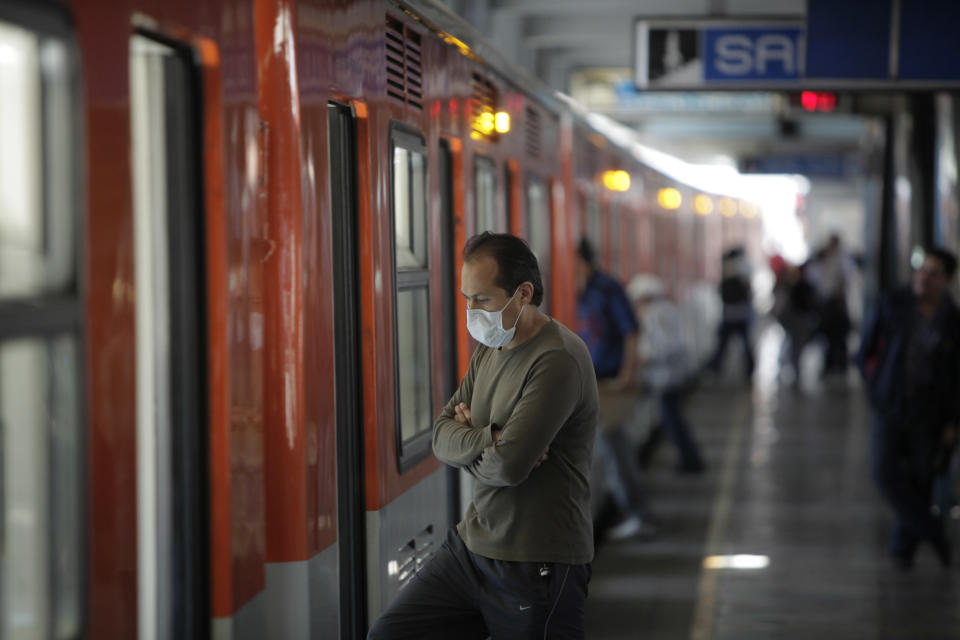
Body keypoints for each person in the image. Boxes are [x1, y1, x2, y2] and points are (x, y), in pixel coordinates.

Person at [368, 232, 597, 639]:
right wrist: (488, 436)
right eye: (466, 297)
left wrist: (477, 437)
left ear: (523, 293)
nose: (471, 310)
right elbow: (441, 434)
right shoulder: (492, 348)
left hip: (536, 562)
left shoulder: (557, 359)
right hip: (471, 549)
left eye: (483, 299)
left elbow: (508, 467)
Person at [855, 247, 960, 570]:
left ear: (947, 281)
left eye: (933, 273)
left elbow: (957, 376)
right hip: (890, 404)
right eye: (920, 270)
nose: (923, 278)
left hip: (929, 412)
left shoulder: (952, 320)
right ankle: (932, 531)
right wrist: (874, 389)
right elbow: (864, 352)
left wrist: (953, 421)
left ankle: (902, 549)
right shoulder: (893, 304)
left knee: (920, 479)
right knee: (884, 472)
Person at [574, 237, 653, 540]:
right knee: (608, 449)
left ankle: (638, 513)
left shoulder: (607, 288)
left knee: (614, 447)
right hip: (588, 382)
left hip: (608, 384)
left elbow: (630, 331)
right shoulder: (576, 290)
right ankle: (633, 511)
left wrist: (627, 373)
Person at [627, 274, 705, 473]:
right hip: (671, 376)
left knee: (672, 421)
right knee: (673, 420)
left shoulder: (654, 315)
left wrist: (643, 358)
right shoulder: (667, 310)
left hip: (665, 378)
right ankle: (691, 459)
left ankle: (692, 461)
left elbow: (662, 346)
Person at [706, 247, 755, 380]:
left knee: (731, 344)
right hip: (733, 316)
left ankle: (748, 370)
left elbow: (743, 293)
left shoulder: (739, 274)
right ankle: (715, 368)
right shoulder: (737, 274)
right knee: (724, 344)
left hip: (736, 316)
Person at [809, 234, 853, 377]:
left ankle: (840, 363)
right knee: (828, 335)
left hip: (836, 302)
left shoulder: (841, 259)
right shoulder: (825, 259)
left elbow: (844, 280)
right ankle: (830, 363)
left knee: (839, 336)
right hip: (827, 302)